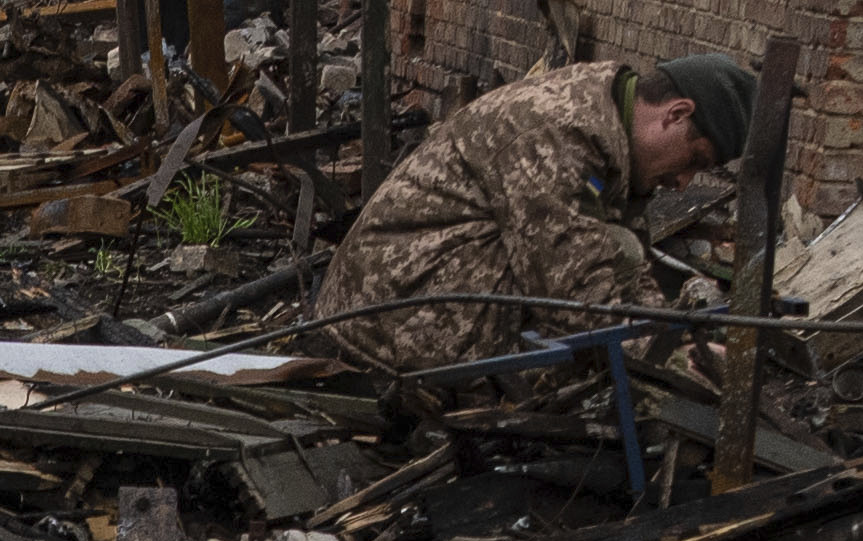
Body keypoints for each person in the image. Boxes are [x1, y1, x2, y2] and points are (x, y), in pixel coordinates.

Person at [314, 51, 767, 370]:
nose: (684, 182)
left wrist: (673, 335)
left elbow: (621, 260)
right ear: (675, 114)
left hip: (413, 303)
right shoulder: (558, 134)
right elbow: (572, 295)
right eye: (695, 161)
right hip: (386, 325)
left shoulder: (609, 129)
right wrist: (674, 360)